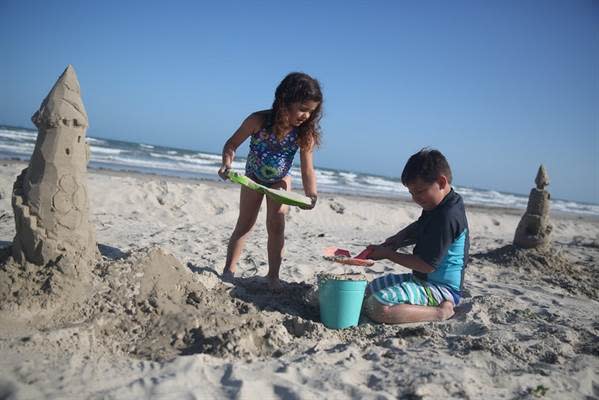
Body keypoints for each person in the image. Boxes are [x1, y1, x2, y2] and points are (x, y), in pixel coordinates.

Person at [218, 72, 322, 291]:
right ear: (285, 101)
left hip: (280, 182)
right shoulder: (258, 120)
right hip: (252, 178)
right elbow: (232, 144)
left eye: (311, 111)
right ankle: (229, 271)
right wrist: (227, 164)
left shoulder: (304, 133)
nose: (306, 115)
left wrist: (311, 194)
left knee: (276, 227)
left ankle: (273, 277)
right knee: (244, 224)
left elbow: (307, 168)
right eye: (303, 108)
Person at [364, 148, 469, 324]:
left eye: (419, 191)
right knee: (369, 291)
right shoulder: (439, 203)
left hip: (440, 288)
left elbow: (426, 265)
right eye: (412, 193)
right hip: (420, 279)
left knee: (377, 306)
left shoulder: (448, 216)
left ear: (441, 182)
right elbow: (421, 226)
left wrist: (389, 255)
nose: (415, 198)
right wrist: (398, 238)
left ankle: (440, 312)